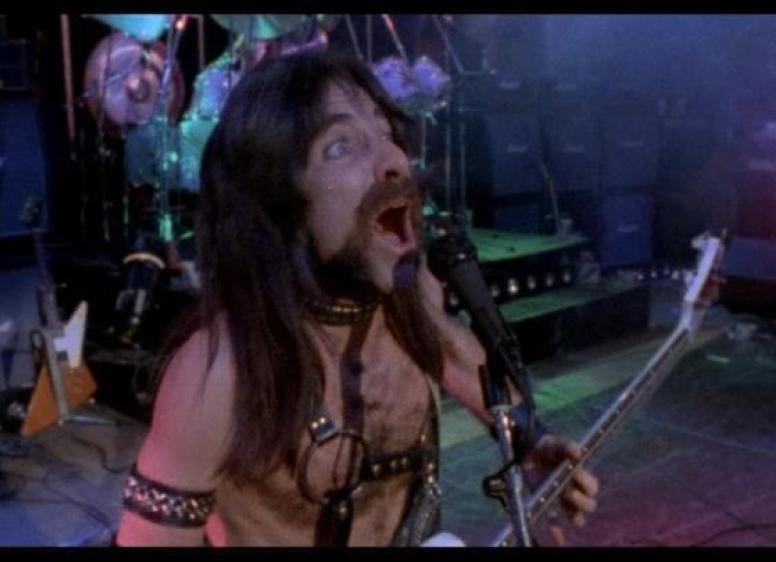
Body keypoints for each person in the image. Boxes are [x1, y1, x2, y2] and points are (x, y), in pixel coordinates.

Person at [115, 49, 598, 547]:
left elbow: (458, 354)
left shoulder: (411, 300)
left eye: (386, 134)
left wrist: (529, 442)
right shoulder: (217, 376)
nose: (393, 161)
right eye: (341, 146)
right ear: (277, 202)